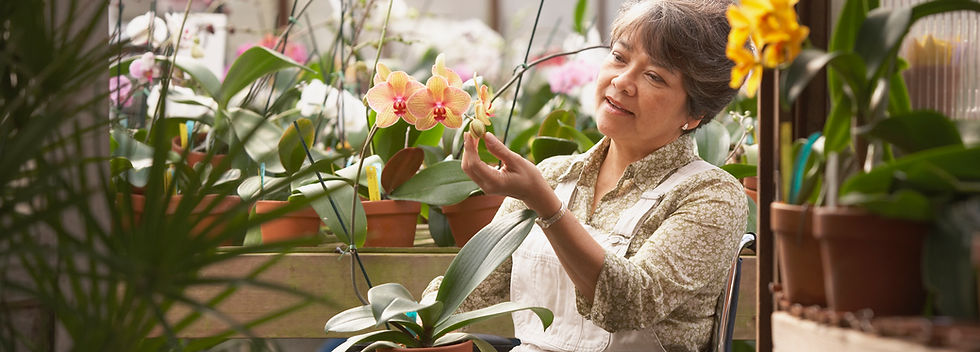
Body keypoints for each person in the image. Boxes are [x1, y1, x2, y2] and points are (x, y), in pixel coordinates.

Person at [448, 1, 747, 351]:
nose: (622, 81)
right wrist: (404, 325)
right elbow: (471, 292)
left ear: (695, 114)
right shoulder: (551, 175)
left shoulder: (713, 196)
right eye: (620, 58)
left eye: (654, 76)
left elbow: (628, 303)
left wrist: (545, 205)